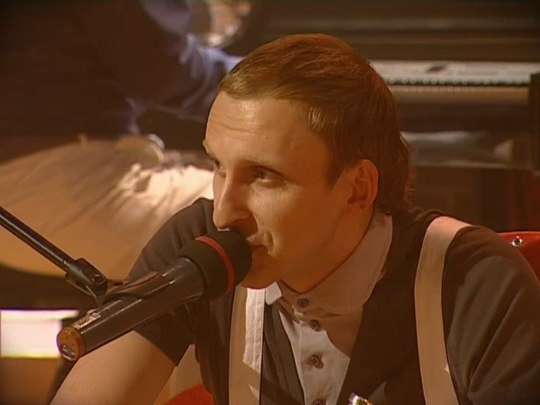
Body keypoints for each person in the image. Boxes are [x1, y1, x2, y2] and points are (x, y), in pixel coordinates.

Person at [51, 34, 540, 405]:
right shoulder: (199, 243)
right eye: (218, 166)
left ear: (358, 188)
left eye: (263, 176)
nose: (223, 211)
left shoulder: (477, 281)